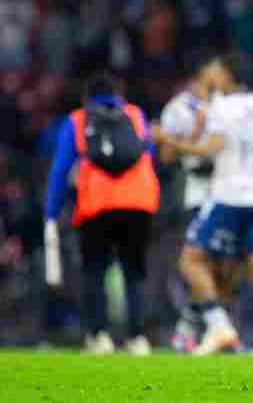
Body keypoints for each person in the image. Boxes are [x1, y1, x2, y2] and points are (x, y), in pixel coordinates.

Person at [155, 54, 253, 356]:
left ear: (227, 76)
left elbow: (212, 148)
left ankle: (219, 327)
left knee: (190, 260)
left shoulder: (222, 108)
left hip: (227, 196)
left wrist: (171, 141)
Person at [45, 72, 160, 355]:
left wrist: (51, 211)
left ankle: (99, 336)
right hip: (138, 203)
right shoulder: (134, 114)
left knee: (94, 271)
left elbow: (60, 169)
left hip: (97, 204)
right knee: (134, 273)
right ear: (117, 93)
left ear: (87, 97)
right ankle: (138, 338)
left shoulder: (78, 119)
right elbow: (149, 153)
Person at [158, 53, 219, 352]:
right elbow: (167, 157)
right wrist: (195, 130)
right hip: (196, 194)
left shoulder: (224, 103)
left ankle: (196, 326)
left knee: (222, 265)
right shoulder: (178, 109)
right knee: (200, 262)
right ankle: (195, 328)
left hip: (227, 192)